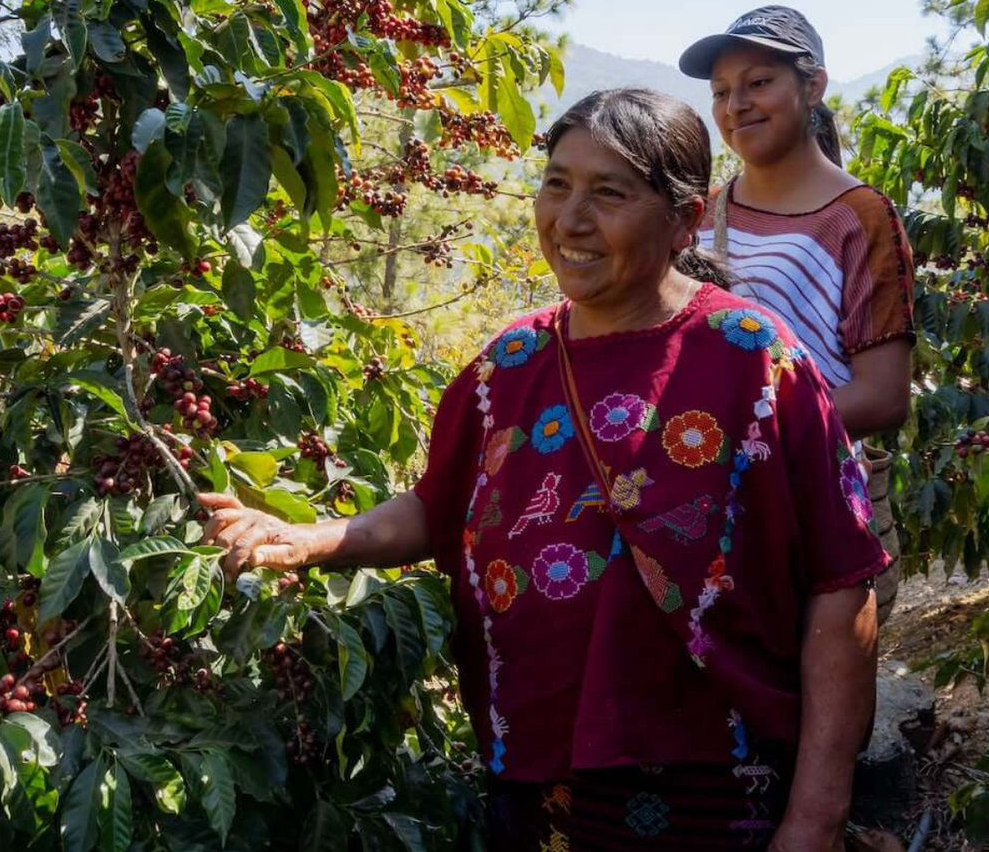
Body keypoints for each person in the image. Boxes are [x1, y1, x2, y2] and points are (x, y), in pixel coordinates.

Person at [199, 87, 887, 851]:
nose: (570, 220)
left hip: (719, 780)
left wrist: (816, 816)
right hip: (535, 773)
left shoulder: (755, 359)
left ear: (685, 217)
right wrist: (307, 538)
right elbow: (438, 505)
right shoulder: (508, 365)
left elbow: (842, 582)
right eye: (556, 183)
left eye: (609, 193)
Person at [680, 8, 916, 622]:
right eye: (722, 92)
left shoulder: (858, 217)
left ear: (813, 87)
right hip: (702, 509)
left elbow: (884, 396)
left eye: (758, 83)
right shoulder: (698, 216)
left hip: (810, 510)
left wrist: (744, 432)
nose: (737, 105)